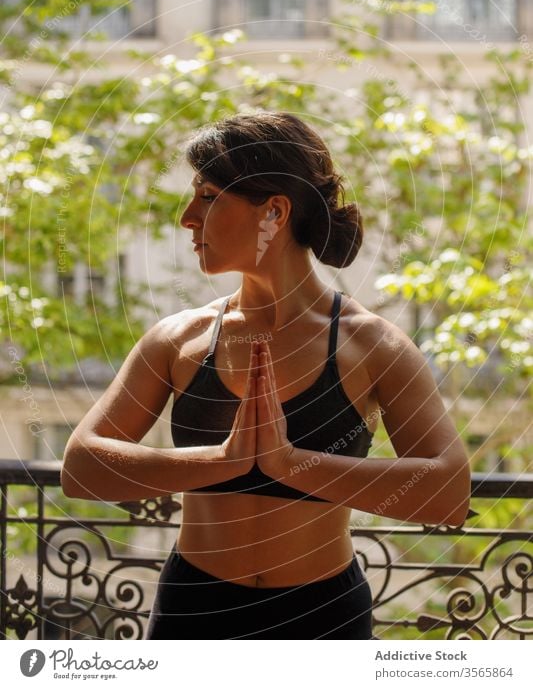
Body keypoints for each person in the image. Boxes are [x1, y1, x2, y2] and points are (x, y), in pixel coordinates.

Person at [61, 110, 471, 640]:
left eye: (208, 197)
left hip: (323, 618)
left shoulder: (373, 346)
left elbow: (448, 492)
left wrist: (290, 463)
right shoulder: (178, 339)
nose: (187, 217)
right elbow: (81, 467)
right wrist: (222, 460)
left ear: (274, 213)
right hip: (196, 608)